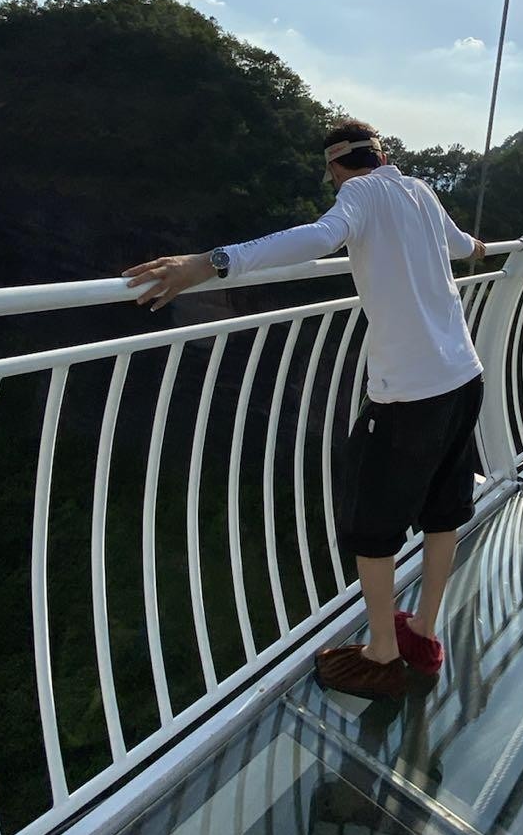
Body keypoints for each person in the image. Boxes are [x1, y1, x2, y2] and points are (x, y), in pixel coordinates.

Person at [123, 120, 486, 700]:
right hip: (465, 376)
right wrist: (487, 249)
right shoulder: (420, 190)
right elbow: (466, 246)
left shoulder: (358, 196)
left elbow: (319, 237)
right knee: (444, 511)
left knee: (373, 525)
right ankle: (422, 632)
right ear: (383, 153)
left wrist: (209, 261)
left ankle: (383, 655)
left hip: (408, 394)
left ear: (337, 169)